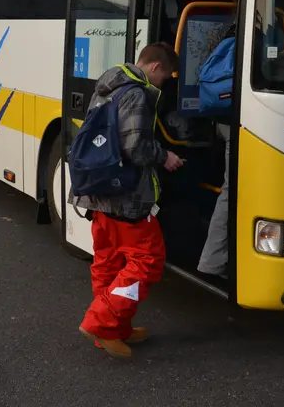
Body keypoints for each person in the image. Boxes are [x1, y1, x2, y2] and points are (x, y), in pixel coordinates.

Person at [72, 42, 184, 358]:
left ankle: (113, 329)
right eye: (166, 77)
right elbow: (136, 148)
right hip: (126, 199)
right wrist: (166, 157)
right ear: (155, 68)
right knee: (148, 260)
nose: (164, 84)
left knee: (107, 261)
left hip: (99, 192)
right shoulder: (136, 93)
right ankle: (101, 321)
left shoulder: (108, 85)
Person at [196, 17, 236, 279]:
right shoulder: (271, 31)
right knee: (232, 190)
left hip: (221, 118)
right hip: (237, 119)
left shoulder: (227, 28)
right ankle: (212, 262)